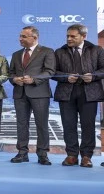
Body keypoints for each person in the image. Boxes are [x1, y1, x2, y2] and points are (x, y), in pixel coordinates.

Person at [53, 24, 104, 168]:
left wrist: (93, 76)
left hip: (90, 92)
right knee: (68, 125)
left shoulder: (97, 50)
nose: (69, 39)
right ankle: (71, 155)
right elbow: (53, 72)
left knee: (88, 126)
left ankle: (86, 156)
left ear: (83, 36)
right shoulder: (59, 52)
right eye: (68, 36)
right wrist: (65, 78)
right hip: (66, 92)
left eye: (73, 36)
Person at [9, 26, 55, 165]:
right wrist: (14, 79)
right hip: (20, 93)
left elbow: (50, 71)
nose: (20, 39)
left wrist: (34, 79)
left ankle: (42, 154)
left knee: (41, 124)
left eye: (23, 36)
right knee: (21, 124)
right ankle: (22, 153)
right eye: (20, 36)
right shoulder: (16, 54)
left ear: (34, 37)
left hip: (39, 93)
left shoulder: (47, 51)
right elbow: (11, 73)